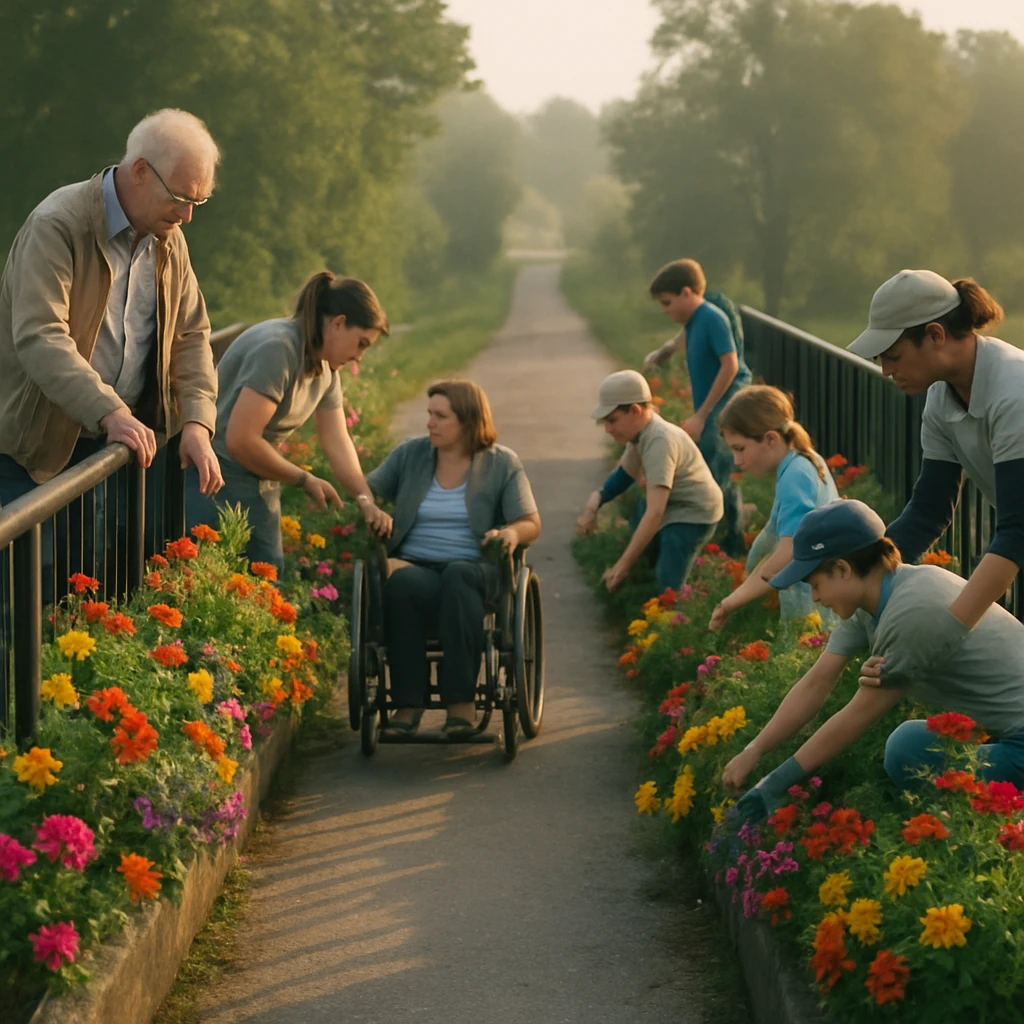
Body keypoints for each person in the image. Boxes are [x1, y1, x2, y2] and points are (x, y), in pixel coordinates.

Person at [722, 500, 1024, 824]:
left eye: (815, 584)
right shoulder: (876, 597)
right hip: (1005, 733)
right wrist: (755, 749)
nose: (814, 597)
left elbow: (858, 715)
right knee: (908, 743)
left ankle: (985, 839)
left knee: (908, 752)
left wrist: (773, 786)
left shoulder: (911, 611)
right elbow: (816, 682)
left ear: (842, 569)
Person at [0, 108, 224, 502]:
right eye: (180, 197)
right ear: (139, 170)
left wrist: (196, 423)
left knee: (98, 564)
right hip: (32, 456)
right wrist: (110, 411)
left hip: (115, 446)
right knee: (40, 566)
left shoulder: (169, 237)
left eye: (199, 201)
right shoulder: (58, 224)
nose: (188, 215)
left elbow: (190, 336)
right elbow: (41, 336)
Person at [847, 270, 1024, 690]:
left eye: (892, 355)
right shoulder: (941, 399)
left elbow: (1017, 531)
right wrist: (862, 576)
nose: (886, 371)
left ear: (935, 335)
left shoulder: (1014, 392)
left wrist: (946, 632)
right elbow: (928, 511)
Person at [366, 379, 541, 739]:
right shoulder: (410, 455)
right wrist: (370, 508)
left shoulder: (501, 463)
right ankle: (407, 704)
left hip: (476, 569)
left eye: (440, 416)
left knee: (459, 577)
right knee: (401, 583)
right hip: (418, 565)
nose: (430, 422)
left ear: (468, 421)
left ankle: (461, 703)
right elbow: (366, 489)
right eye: (429, 414)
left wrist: (509, 533)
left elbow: (530, 523)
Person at [187, 271, 392, 571]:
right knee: (213, 582)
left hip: (258, 481)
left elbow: (337, 440)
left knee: (268, 585)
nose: (359, 357)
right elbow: (241, 440)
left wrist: (364, 499)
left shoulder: (325, 367)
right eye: (360, 343)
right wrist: (304, 479)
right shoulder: (279, 348)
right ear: (338, 323)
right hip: (213, 481)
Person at [642, 259, 753, 556]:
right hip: (712, 409)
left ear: (687, 293)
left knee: (715, 475)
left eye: (667, 303)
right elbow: (681, 340)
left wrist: (702, 415)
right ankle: (732, 541)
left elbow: (730, 365)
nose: (665, 310)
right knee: (720, 474)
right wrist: (663, 352)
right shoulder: (693, 321)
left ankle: (714, 545)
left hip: (724, 408)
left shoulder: (712, 318)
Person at [578, 370, 723, 593]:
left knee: (669, 579)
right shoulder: (640, 434)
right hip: (674, 506)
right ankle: (652, 592)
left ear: (635, 410)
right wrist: (595, 501)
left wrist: (622, 566)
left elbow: (655, 513)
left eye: (612, 420)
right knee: (644, 543)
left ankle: (675, 614)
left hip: (693, 512)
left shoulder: (659, 441)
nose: (607, 429)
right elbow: (624, 475)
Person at [709, 386, 838, 629]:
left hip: (814, 607)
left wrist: (730, 603)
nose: (737, 460)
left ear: (770, 439)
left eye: (740, 448)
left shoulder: (795, 477)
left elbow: (787, 552)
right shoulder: (805, 460)